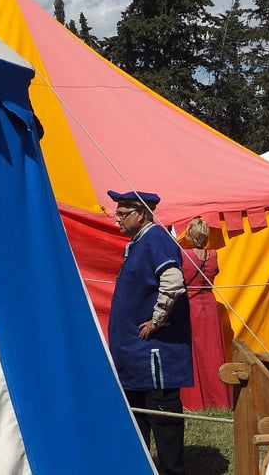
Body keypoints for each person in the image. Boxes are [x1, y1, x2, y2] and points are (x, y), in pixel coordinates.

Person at [107, 190, 192, 475]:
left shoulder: (156, 238)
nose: (117, 219)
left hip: (154, 353)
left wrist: (157, 319)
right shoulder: (139, 242)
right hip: (136, 355)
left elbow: (173, 281)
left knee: (163, 420)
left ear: (140, 214)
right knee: (139, 418)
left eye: (122, 213)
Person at [181, 216, 232, 409]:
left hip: (191, 304)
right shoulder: (213, 255)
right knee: (213, 352)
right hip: (209, 305)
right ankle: (219, 400)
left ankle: (194, 401)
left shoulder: (183, 255)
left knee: (194, 351)